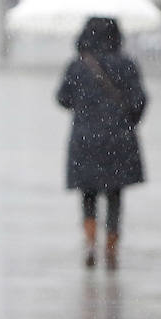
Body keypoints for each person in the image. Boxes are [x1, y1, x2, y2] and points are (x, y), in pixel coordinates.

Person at [55, 17, 148, 270]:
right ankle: (111, 244)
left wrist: (84, 103)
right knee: (115, 193)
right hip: (119, 137)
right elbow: (140, 101)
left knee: (88, 192)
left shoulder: (78, 65)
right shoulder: (127, 64)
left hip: (85, 138)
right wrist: (127, 120)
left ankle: (89, 240)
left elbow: (62, 98)